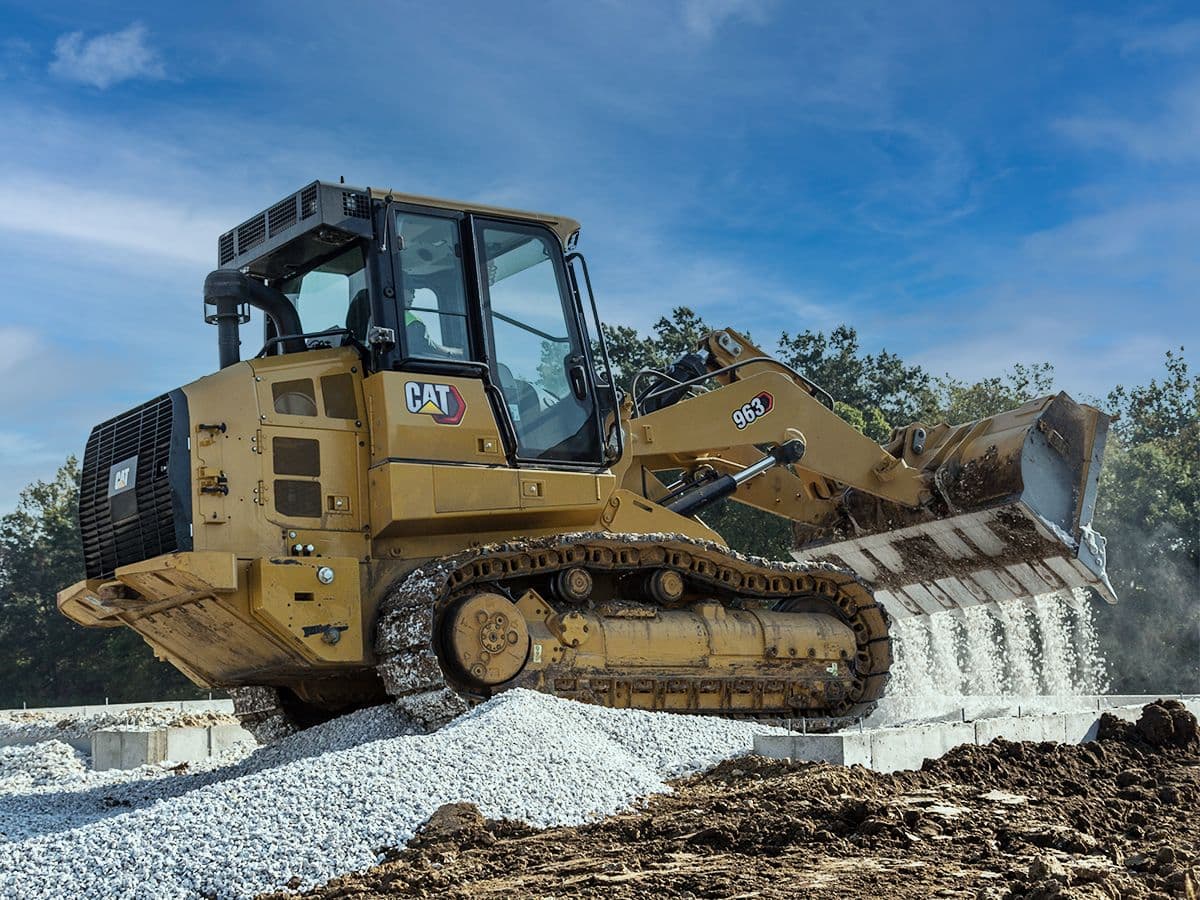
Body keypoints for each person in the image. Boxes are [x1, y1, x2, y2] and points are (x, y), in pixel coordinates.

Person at [402, 287, 463, 358]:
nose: (414, 296)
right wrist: (454, 353)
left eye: (413, 292)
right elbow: (425, 347)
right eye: (410, 290)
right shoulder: (414, 322)